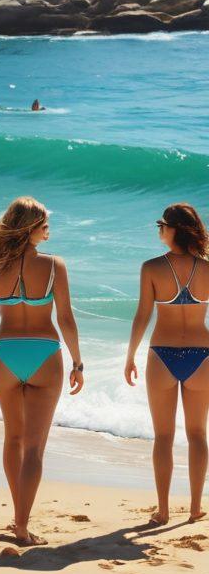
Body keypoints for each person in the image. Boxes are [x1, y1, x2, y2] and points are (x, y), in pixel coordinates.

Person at [0, 196, 83, 546]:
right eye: (44, 224)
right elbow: (66, 319)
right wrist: (78, 362)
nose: (48, 229)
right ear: (29, 228)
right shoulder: (55, 266)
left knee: (13, 438)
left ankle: (17, 514)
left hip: (5, 353)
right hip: (44, 352)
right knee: (35, 447)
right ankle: (22, 526)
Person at [125, 204, 209, 525]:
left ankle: (162, 510)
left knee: (163, 436)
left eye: (162, 225)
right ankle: (194, 508)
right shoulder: (207, 269)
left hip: (162, 355)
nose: (159, 230)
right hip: (202, 356)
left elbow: (143, 316)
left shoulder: (151, 268)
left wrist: (130, 355)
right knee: (198, 434)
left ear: (175, 229)